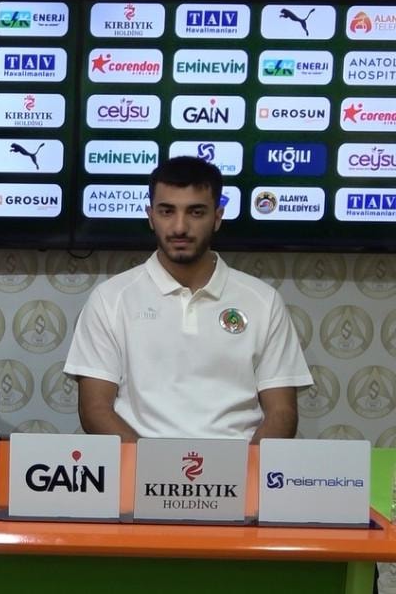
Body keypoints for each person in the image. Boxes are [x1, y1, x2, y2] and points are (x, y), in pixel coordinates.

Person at [64, 156, 312, 441]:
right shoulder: (110, 299)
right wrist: (153, 463)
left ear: (217, 217)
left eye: (195, 212)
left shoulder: (263, 301)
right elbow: (95, 409)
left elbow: (282, 412)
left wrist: (246, 465)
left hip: (238, 463)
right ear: (150, 216)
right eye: (167, 211)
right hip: (141, 463)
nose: (180, 227)